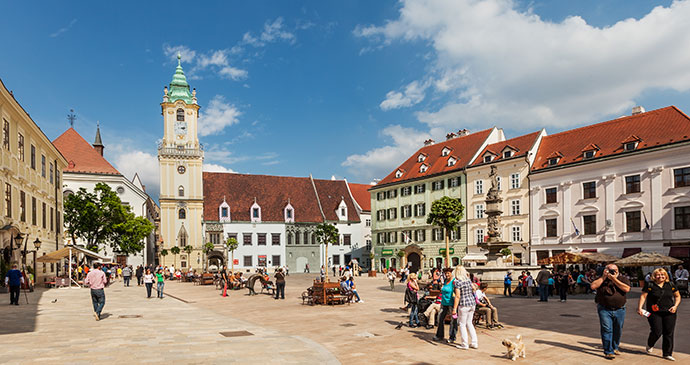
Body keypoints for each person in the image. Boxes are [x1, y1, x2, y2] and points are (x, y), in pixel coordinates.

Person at [638, 268, 681, 361]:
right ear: (654, 276)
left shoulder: (671, 284)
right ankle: (650, 344)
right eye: (658, 274)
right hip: (653, 312)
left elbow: (677, 296)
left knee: (668, 333)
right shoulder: (649, 285)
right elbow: (643, 296)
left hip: (669, 312)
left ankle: (667, 353)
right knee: (657, 331)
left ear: (666, 275)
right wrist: (640, 308)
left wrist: (675, 306)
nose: (660, 276)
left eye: (662, 274)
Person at [590, 264, 631, 359]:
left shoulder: (622, 279)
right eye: (610, 270)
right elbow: (593, 286)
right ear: (605, 270)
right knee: (607, 329)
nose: (613, 272)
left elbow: (626, 289)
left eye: (615, 270)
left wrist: (614, 279)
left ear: (618, 271)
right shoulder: (601, 279)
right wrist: (604, 277)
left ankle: (615, 347)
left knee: (618, 329)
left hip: (620, 309)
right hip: (604, 309)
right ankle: (608, 351)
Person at [452, 266, 478, 349]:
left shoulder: (458, 282)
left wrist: (454, 309)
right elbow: (474, 288)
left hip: (464, 304)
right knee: (469, 323)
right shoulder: (468, 280)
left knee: (462, 324)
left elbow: (457, 296)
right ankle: (474, 342)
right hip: (472, 303)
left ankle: (464, 344)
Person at [433, 268, 457, 343]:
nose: (446, 275)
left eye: (448, 273)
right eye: (445, 273)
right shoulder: (445, 281)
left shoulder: (454, 282)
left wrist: (455, 307)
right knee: (440, 318)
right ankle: (440, 335)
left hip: (451, 303)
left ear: (451, 274)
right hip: (443, 303)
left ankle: (452, 337)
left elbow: (457, 294)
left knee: (453, 321)